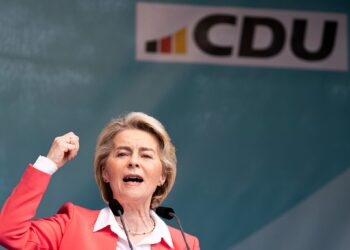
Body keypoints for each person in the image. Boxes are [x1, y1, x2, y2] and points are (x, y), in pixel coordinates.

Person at [0, 112, 200, 249]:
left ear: (162, 176)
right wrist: (49, 163)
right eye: (122, 154)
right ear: (105, 172)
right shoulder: (72, 224)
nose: (133, 162)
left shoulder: (184, 244)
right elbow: (9, 233)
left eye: (146, 156)